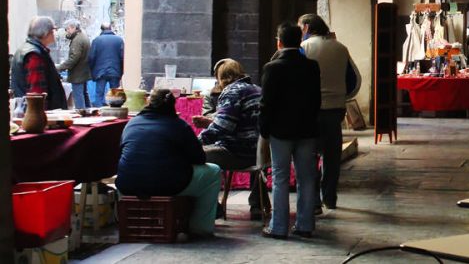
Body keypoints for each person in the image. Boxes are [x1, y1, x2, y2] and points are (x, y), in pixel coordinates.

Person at [117, 89, 221, 237]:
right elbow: (199, 159)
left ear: (148, 102)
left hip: (127, 184)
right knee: (213, 172)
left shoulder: (131, 124)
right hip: (168, 184)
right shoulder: (179, 125)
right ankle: (200, 228)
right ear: (174, 105)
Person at [259, 22, 321, 239]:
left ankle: (278, 226)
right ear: (300, 41)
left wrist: (264, 130)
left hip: (280, 131)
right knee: (307, 178)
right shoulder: (312, 67)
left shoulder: (272, 68)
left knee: (280, 178)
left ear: (279, 42)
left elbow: (267, 104)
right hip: (306, 130)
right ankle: (305, 225)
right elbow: (316, 100)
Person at [298, 13, 360, 213]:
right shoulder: (340, 48)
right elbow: (354, 79)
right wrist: (342, 96)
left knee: (309, 155)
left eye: (300, 28)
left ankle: (314, 201)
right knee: (332, 157)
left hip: (310, 110)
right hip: (335, 109)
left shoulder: (304, 49)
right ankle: (330, 198)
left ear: (307, 27)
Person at [193, 59, 266, 220]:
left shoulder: (233, 91)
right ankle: (256, 205)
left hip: (238, 152)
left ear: (221, 77)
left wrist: (195, 143)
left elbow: (223, 126)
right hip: (261, 152)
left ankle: (213, 207)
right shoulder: (257, 90)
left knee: (192, 156)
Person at [10, 16, 68, 112]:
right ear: (46, 33)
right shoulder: (34, 54)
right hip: (37, 115)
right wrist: (40, 115)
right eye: (53, 31)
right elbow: (36, 91)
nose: (54, 34)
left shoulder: (32, 50)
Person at [56, 19, 92, 109]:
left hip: (78, 73)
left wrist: (60, 67)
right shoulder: (83, 36)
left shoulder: (77, 40)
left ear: (73, 28)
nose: (66, 31)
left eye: (67, 29)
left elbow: (73, 58)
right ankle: (89, 113)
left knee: (78, 95)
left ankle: (82, 114)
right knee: (84, 93)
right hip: (83, 71)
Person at [89, 23, 124, 104]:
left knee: (99, 94)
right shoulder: (119, 40)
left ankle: (99, 112)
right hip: (115, 70)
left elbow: (91, 57)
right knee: (115, 94)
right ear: (110, 28)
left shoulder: (96, 40)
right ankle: (115, 112)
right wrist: (121, 71)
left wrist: (92, 70)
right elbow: (122, 57)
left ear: (101, 29)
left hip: (100, 72)